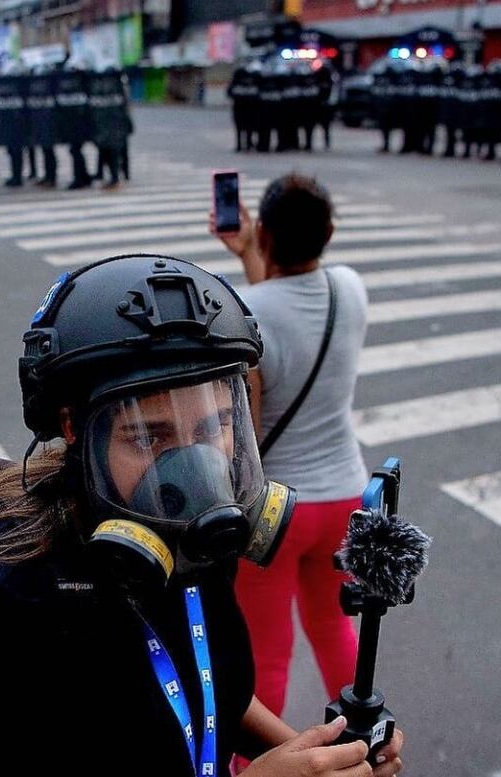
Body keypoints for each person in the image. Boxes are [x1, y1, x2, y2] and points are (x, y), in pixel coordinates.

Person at [0, 254, 406, 777]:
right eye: (149, 438)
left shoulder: (197, 545)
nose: (192, 473)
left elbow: (207, 687)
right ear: (76, 428)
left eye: (211, 429)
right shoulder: (1, 608)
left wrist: (322, 755)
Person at [209, 175, 371, 742]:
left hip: (278, 513)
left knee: (266, 655)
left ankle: (256, 763)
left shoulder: (245, 310)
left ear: (268, 231)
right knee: (334, 627)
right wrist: (257, 252)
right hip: (345, 499)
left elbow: (247, 436)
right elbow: (290, 320)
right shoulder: (350, 288)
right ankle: (363, 740)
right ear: (328, 234)